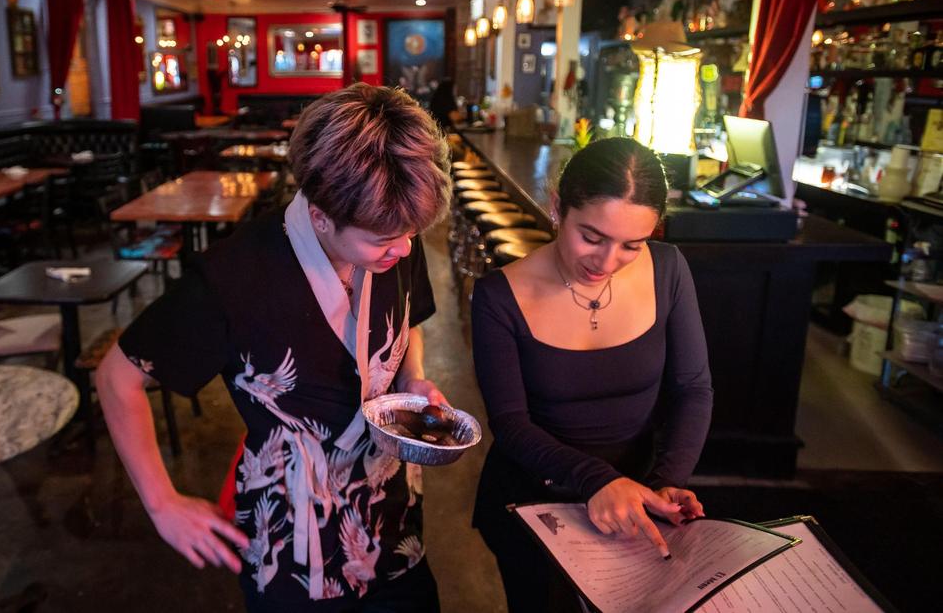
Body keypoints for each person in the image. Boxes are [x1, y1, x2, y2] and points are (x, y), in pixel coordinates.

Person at [98, 83, 452, 612]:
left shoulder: (395, 232)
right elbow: (117, 377)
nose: (402, 248)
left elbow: (408, 323)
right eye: (382, 238)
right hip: (291, 532)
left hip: (391, 509)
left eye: (409, 233)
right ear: (319, 213)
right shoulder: (233, 276)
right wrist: (161, 503)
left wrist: (410, 379)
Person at [471, 137, 713, 612]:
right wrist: (597, 480)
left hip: (637, 499)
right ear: (558, 205)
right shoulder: (499, 296)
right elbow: (511, 423)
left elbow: (693, 389)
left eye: (632, 245)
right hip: (536, 499)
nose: (606, 263)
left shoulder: (669, 270)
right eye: (592, 236)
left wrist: (665, 483)